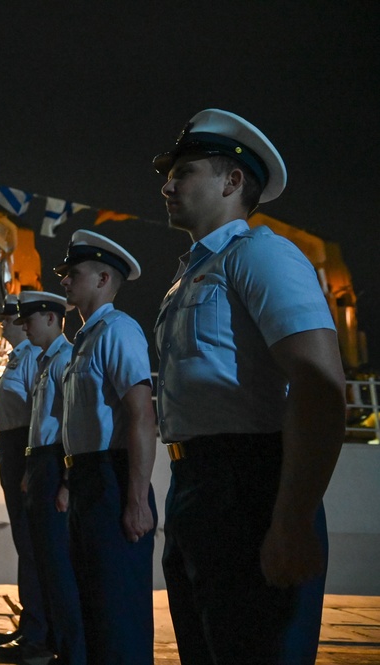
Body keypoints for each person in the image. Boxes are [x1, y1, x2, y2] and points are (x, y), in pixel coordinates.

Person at [152, 109, 346, 665]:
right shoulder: (189, 275)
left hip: (249, 488)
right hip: (195, 485)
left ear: (232, 182)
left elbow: (317, 385)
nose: (167, 185)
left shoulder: (261, 255)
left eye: (184, 171)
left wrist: (292, 518)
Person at [55, 230, 157, 665]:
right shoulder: (85, 340)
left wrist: (136, 499)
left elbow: (141, 414)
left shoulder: (118, 330)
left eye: (72, 274)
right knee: (92, 606)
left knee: (119, 612)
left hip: (112, 480)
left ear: (102, 279)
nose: (64, 281)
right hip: (87, 481)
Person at [15, 290, 85, 665]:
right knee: (44, 563)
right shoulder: (45, 363)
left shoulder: (64, 360)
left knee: (59, 569)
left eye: (31, 318)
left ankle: (71, 652)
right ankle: (52, 644)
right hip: (40, 465)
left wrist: (65, 483)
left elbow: (72, 425)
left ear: (53, 319)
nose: (24, 325)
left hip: (57, 465)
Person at [0, 294, 52, 663]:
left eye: (10, 319)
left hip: (23, 446)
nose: (6, 324)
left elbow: (37, 413)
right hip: (11, 446)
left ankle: (37, 632)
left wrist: (30, 465)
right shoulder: (17, 357)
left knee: (31, 545)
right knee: (23, 543)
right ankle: (30, 623)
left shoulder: (31, 356)